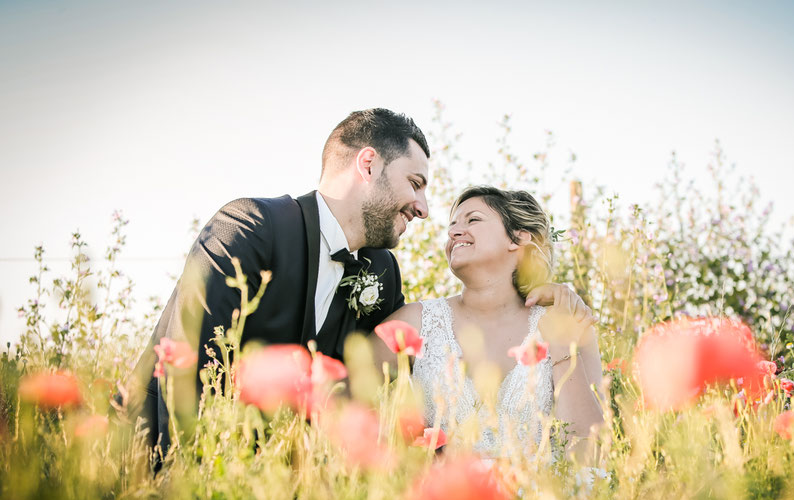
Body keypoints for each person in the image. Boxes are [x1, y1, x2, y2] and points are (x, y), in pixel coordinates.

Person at [125, 109, 593, 461]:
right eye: (415, 182)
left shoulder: (382, 273)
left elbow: (374, 399)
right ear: (368, 164)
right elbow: (182, 367)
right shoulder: (250, 229)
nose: (424, 209)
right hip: (166, 460)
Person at [371, 186, 604, 462]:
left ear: (518, 238)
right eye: (453, 225)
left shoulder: (572, 323)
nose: (454, 232)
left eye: (473, 220)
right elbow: (342, 396)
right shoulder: (414, 322)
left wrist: (563, 346)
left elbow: (589, 457)